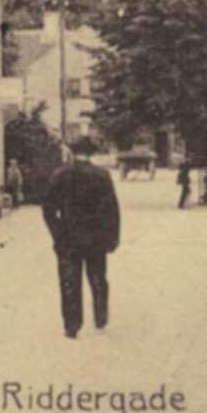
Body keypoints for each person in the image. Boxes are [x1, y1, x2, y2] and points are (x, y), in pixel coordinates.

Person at [41, 142, 122, 339]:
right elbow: (112, 210)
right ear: (91, 153)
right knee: (98, 277)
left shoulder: (60, 174)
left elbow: (48, 209)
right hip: (95, 237)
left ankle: (72, 325)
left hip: (68, 238)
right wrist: (112, 237)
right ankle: (100, 317)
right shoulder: (102, 175)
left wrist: (57, 233)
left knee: (69, 281)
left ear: (72, 152)